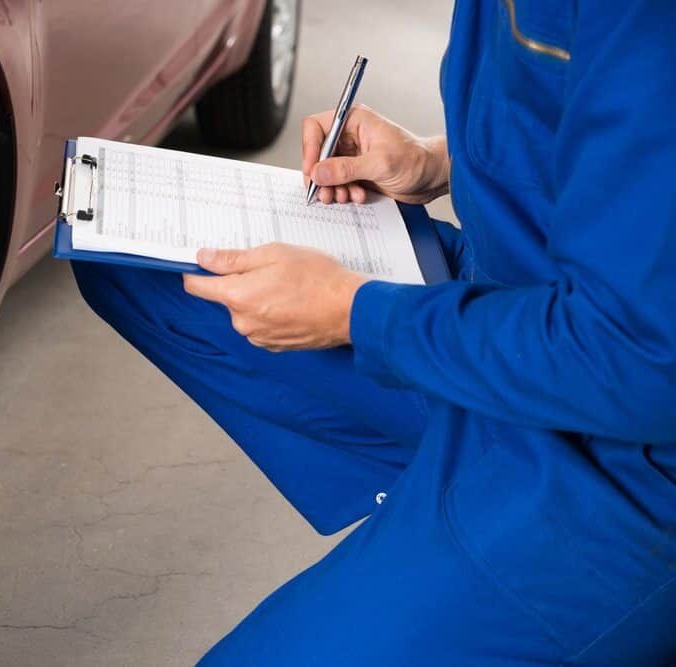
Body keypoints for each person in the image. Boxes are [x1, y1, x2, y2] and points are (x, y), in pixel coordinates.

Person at [72, 0, 676, 663]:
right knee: (137, 266)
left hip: (616, 467)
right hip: (499, 311)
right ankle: (431, 508)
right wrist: (438, 162)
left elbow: (638, 356)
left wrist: (351, 311)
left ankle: (471, 538)